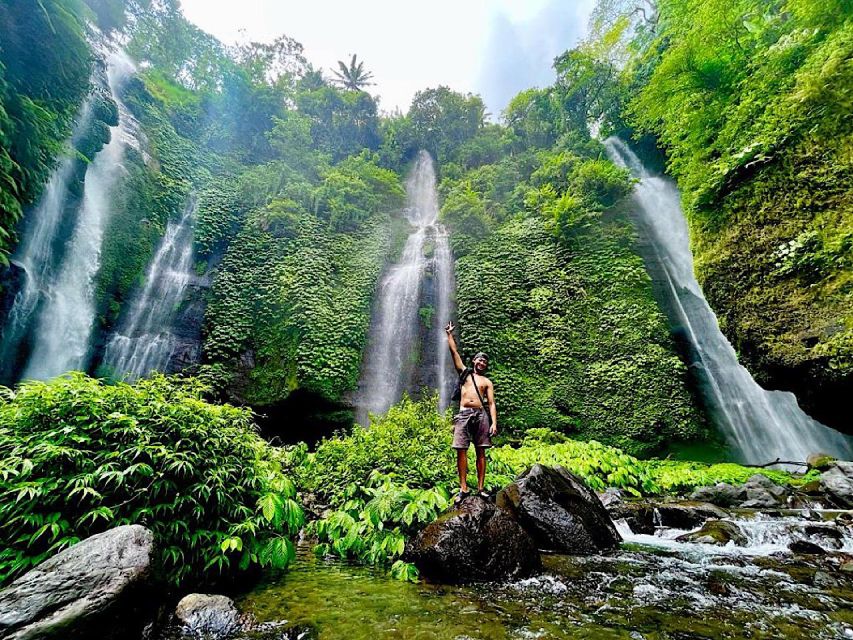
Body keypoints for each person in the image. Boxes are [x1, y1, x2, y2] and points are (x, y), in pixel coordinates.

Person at [445, 321, 497, 502]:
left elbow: (491, 403)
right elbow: (454, 353)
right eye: (479, 359)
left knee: (481, 452)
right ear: (474, 361)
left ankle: (481, 488)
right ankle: (464, 488)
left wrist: (494, 423)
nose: (482, 362)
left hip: (481, 415)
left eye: (485, 361)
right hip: (464, 414)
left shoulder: (487, 382)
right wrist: (449, 334)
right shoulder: (465, 374)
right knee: (461, 450)